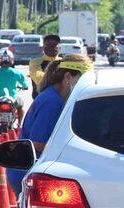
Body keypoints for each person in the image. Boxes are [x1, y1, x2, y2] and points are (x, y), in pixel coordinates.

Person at [7, 54, 93, 196]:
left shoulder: (56, 97)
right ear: (68, 78)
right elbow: (37, 143)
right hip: (28, 172)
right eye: (82, 80)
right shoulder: (52, 101)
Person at [0, 52, 29, 132]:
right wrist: (25, 87)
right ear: (11, 61)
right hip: (13, 100)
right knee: (21, 105)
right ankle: (19, 125)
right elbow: (24, 84)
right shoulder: (16, 72)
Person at [29, 33, 61, 98]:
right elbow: (39, 79)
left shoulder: (64, 61)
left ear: (60, 47)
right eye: (48, 44)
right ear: (43, 47)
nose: (52, 46)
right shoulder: (35, 62)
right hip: (40, 99)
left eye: (55, 44)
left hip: (61, 100)